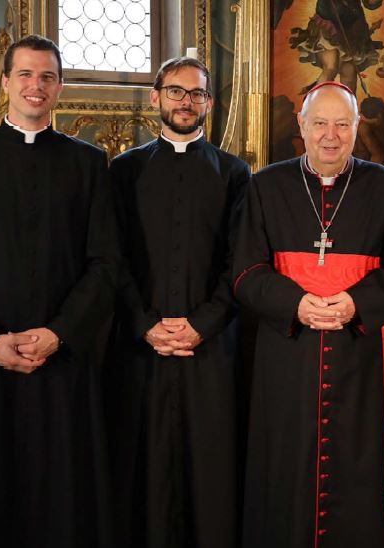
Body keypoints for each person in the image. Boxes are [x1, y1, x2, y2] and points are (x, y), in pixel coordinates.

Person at [0, 35, 118, 547]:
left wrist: (59, 333)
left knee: (60, 497)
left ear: (60, 87)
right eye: (25, 75)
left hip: (59, 359)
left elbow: (105, 262)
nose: (35, 86)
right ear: (4, 83)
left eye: (46, 77)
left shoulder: (88, 164)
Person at [233, 81, 384, 548]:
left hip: (361, 361)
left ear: (357, 126)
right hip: (286, 361)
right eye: (319, 123)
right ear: (301, 125)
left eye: (342, 124)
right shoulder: (265, 185)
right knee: (286, 470)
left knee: (359, 468)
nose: (329, 136)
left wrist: (355, 303)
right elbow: (246, 272)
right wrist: (295, 303)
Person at [107, 57, 250, 548]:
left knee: (211, 466)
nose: (186, 102)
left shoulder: (235, 174)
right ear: (156, 97)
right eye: (176, 91)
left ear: (210, 103)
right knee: (141, 464)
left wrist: (201, 325)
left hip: (210, 348)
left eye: (197, 94)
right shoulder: (124, 170)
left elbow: (241, 261)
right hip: (139, 347)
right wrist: (145, 324)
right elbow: (112, 259)